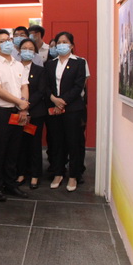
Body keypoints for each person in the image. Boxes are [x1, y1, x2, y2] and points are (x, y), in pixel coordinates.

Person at [0, 29, 30, 202]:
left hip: (18, 112)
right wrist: (19, 102)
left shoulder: (18, 65)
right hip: (1, 113)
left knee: (13, 150)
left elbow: (24, 86)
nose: (7, 43)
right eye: (2, 41)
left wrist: (23, 107)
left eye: (8, 39)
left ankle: (10, 184)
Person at [45, 32, 87, 192]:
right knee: (56, 142)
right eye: (59, 42)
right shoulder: (50, 64)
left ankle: (73, 175)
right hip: (54, 108)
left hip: (72, 109)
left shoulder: (79, 63)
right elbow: (46, 85)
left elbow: (78, 86)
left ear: (72, 45)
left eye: (65, 42)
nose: (61, 45)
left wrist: (62, 102)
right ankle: (58, 173)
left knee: (73, 142)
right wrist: (54, 100)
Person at [15, 38, 46, 189]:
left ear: (35, 52)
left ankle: (35, 174)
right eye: (24, 48)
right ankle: (21, 173)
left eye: (31, 49)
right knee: (19, 143)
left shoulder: (40, 70)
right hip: (17, 112)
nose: (27, 51)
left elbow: (40, 92)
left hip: (34, 113)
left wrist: (26, 107)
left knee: (34, 144)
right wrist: (20, 107)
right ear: (19, 50)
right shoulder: (13, 68)